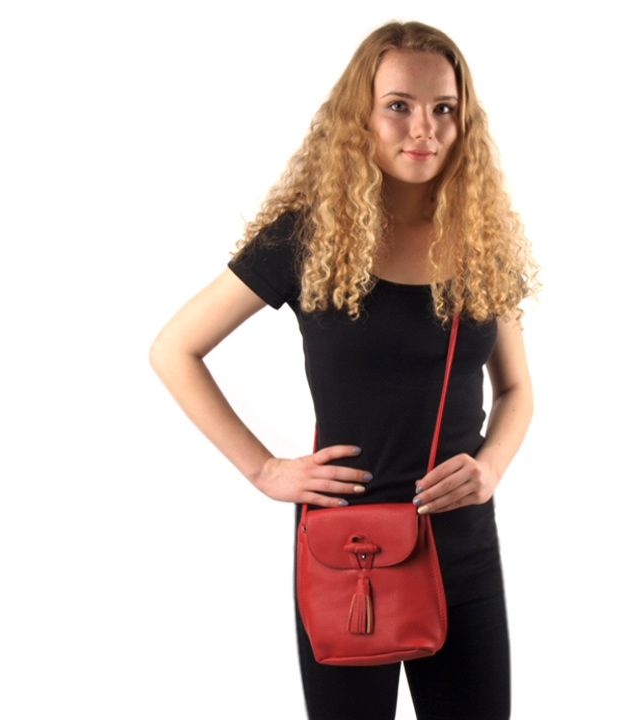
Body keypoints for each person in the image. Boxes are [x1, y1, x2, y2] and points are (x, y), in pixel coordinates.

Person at [149, 20, 538, 720]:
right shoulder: (307, 239)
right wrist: (264, 470)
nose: (423, 128)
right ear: (360, 115)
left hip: (461, 549)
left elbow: (515, 390)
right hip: (343, 550)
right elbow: (174, 348)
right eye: (399, 105)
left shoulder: (481, 240)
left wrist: (491, 467)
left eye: (444, 108)